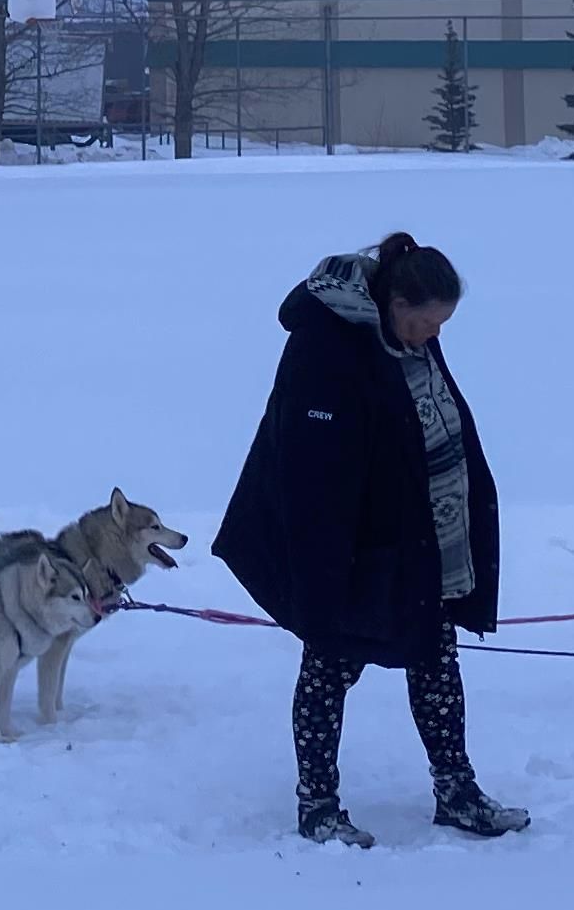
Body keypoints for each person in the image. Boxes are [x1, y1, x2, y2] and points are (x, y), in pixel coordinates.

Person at [213, 230, 529, 847]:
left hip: (417, 540)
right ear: (395, 303)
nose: (434, 336)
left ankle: (456, 792)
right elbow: (309, 471)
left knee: (436, 660)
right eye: (428, 323)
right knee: (329, 666)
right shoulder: (326, 345)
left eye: (442, 326)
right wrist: (325, 573)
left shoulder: (405, 334)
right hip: (350, 548)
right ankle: (317, 805)